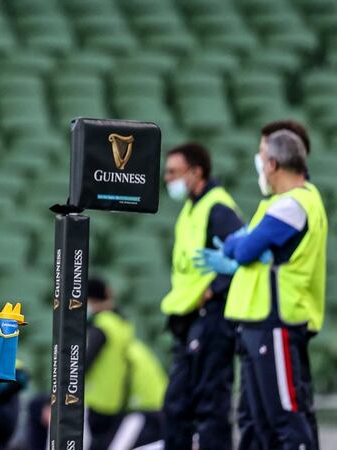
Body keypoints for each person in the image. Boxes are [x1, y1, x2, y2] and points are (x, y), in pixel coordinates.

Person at [197, 129, 327, 450]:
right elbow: (249, 245)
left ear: (271, 164)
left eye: (260, 154)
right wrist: (245, 245)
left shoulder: (294, 204)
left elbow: (243, 247)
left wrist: (240, 245)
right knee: (255, 422)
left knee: (284, 418)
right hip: (257, 322)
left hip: (276, 323)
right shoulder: (283, 203)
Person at [160, 143, 244, 450]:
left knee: (211, 407)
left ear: (196, 172)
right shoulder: (191, 208)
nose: (168, 179)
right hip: (188, 320)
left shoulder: (218, 208)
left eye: (174, 172)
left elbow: (241, 257)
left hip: (211, 320)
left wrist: (211, 292)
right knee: (176, 407)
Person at [85, 278, 135, 450]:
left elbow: (86, 361)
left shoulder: (101, 325)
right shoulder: (121, 324)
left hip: (96, 399)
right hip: (116, 399)